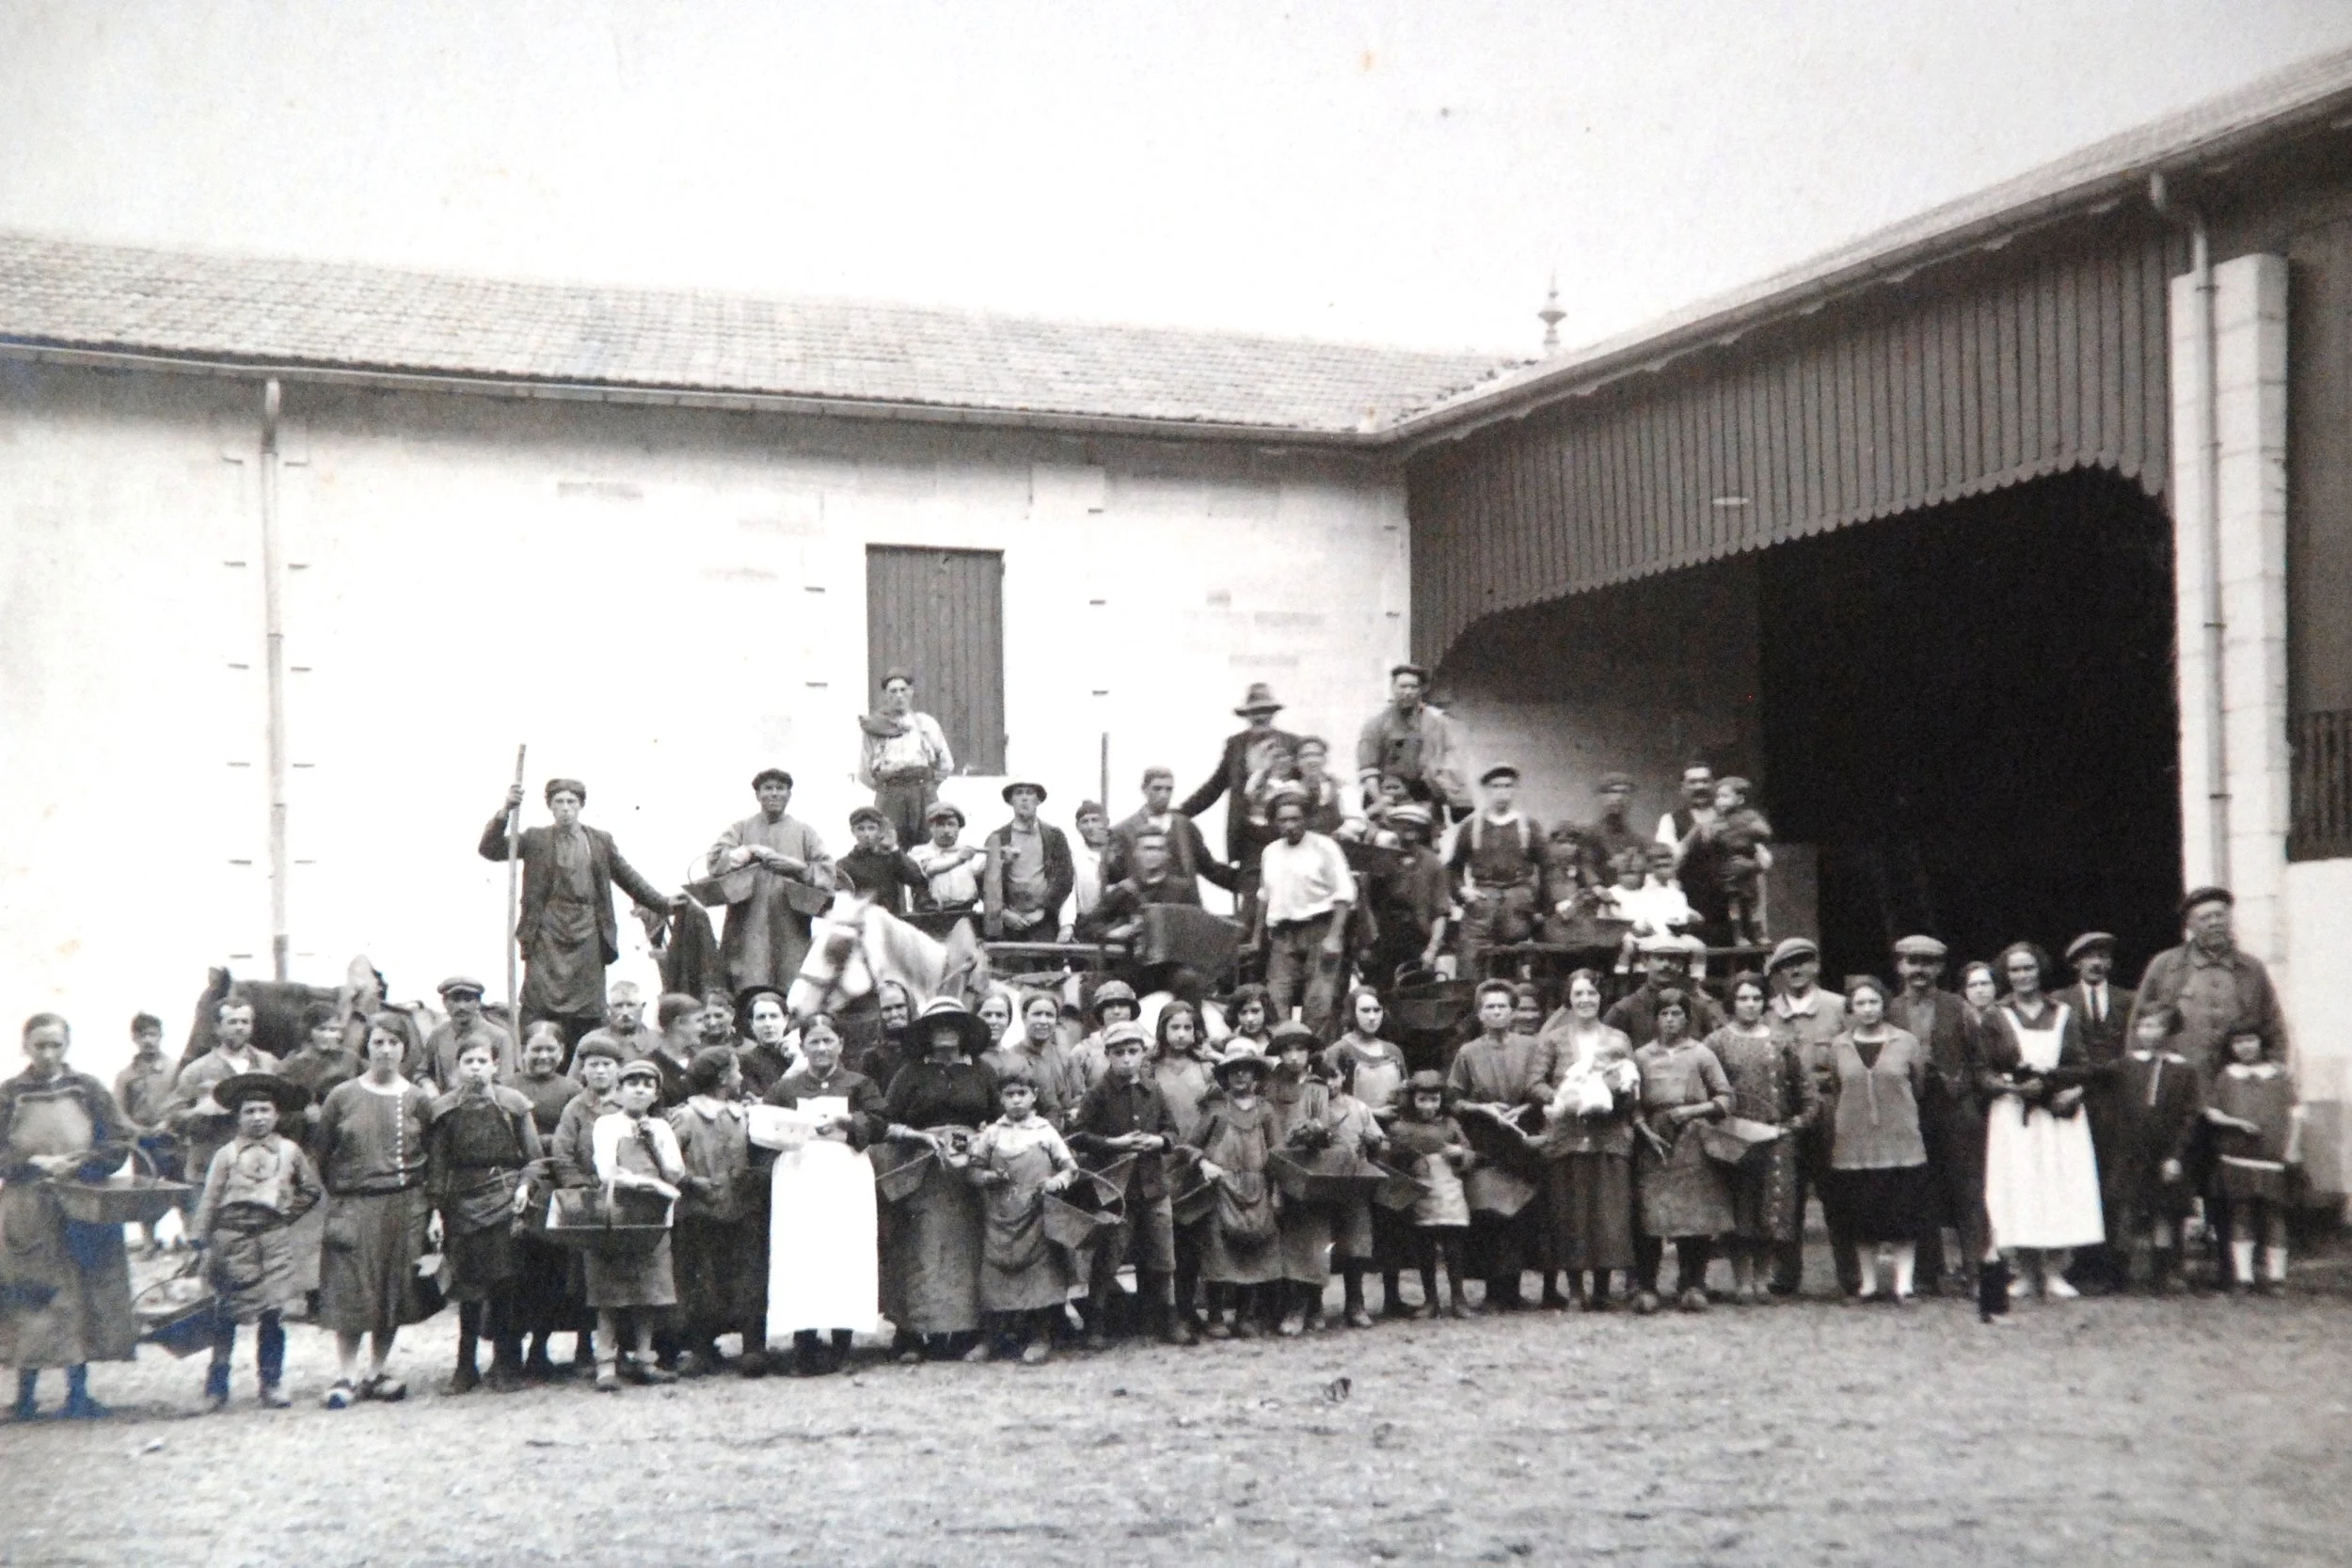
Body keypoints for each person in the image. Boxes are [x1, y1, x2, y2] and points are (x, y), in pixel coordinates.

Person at [2, 1015, 138, 1420]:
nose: (48, 1054)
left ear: (67, 1045)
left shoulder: (88, 1089)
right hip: (28, 1205)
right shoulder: (10, 1094)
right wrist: (31, 1162)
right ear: (25, 1046)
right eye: (39, 1045)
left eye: (55, 1045)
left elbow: (118, 1140)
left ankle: (78, 1394)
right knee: (29, 1292)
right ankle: (24, 1396)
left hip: (82, 1203)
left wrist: (84, 1163)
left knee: (83, 1289)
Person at [481, 778, 675, 1045]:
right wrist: (505, 811)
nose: (565, 808)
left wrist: (664, 904)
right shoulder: (535, 838)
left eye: (571, 802)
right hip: (547, 931)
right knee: (539, 1003)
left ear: (581, 805)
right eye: (558, 802)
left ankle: (587, 1058)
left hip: (588, 930)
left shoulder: (599, 841)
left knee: (588, 1008)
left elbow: (627, 877)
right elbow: (490, 849)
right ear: (549, 806)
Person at [312, 1012, 437, 1408]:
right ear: (366, 1046)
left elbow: (431, 1158)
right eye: (378, 1042)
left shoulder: (417, 1099)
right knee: (351, 1289)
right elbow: (321, 1154)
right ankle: (346, 1374)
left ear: (405, 1049)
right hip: (353, 1204)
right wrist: (335, 1202)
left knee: (393, 1290)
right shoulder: (342, 1096)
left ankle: (376, 1370)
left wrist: (431, 1211)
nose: (385, 1050)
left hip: (403, 1204)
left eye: (394, 1042)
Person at [1979, 942, 2105, 1301]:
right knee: (2019, 1187)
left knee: (2056, 1185)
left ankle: (2054, 1271)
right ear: (2006, 974)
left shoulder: (2063, 1012)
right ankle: (2023, 1271)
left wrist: (2062, 1086)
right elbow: (1982, 1069)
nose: (2022, 976)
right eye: (2015, 970)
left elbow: (2082, 1064)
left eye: (2028, 968)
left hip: (2057, 1115)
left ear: (2040, 970)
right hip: (2013, 1115)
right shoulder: (1995, 1017)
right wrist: (2013, 1087)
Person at [763, 1014, 885, 1374]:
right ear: (801, 1046)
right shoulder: (787, 1087)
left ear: (841, 1045)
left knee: (843, 1253)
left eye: (827, 1040)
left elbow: (880, 1122)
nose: (820, 1048)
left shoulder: (859, 1084)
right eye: (813, 1041)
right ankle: (804, 1346)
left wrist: (848, 1122)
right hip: (798, 1174)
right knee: (801, 1255)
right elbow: (766, 1123)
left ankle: (843, 1347)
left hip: (845, 1173)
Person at [878, 998, 998, 1362]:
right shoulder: (910, 1074)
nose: (945, 1032)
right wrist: (922, 1138)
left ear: (964, 1033)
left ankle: (962, 1333)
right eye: (937, 1026)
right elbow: (886, 1121)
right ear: (926, 1034)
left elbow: (998, 1116)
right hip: (922, 1170)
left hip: (967, 1173)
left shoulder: (982, 1072)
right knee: (921, 1249)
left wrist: (982, 1137)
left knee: (966, 1250)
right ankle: (913, 1333)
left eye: (953, 1025)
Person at [191, 1073, 320, 1411]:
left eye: (265, 1110)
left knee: (273, 1312)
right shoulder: (226, 1154)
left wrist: (286, 1215)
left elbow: (310, 1190)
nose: (258, 1117)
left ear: (277, 1115)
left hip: (273, 1239)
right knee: (226, 1312)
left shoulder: (290, 1151)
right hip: (232, 1240)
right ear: (238, 1116)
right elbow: (210, 1197)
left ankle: (271, 1383)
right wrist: (200, 1239)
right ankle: (216, 1387)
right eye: (250, 1111)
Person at [424, 1036, 542, 1394]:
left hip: (506, 1200)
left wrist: (524, 1188)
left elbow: (534, 1159)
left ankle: (507, 1364)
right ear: (457, 1068)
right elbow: (437, 1166)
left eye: (482, 1061)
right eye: (468, 1062)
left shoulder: (514, 1105)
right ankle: (465, 1366)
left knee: (506, 1284)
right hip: (461, 1203)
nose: (475, 1068)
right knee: (468, 1287)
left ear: (495, 1065)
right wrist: (435, 1212)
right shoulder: (444, 1111)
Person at [1068, 1022, 1188, 1347]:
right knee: (1110, 1257)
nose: (1126, 1059)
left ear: (1143, 1054)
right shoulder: (1098, 1093)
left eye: (1133, 1051)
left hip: (1153, 1186)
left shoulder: (1153, 1090)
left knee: (1164, 1256)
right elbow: (1078, 1135)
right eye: (1118, 1052)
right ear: (1107, 1055)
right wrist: (1114, 1143)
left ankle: (1168, 1318)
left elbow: (1172, 1130)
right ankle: (1096, 1323)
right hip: (1115, 1190)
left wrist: (1159, 1141)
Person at [1703, 974, 1817, 1305]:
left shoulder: (1782, 1041)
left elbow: (1807, 1092)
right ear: (1731, 1003)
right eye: (1742, 999)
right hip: (1733, 1137)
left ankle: (1762, 1278)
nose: (1749, 1005)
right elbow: (1704, 1088)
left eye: (1755, 998)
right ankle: (1741, 1281)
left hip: (1775, 1136)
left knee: (1772, 1210)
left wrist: (1793, 1125)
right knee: (1740, 1207)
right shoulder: (1717, 1042)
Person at [1818, 975, 1932, 1304]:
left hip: (1901, 1143)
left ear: (1884, 1005)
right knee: (1861, 1217)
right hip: (1854, 1146)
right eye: (1860, 1004)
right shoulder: (1838, 1046)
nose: (1868, 1010)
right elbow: (1839, 1089)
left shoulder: (1906, 1042)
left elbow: (1918, 1085)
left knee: (1903, 1216)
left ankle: (1903, 1284)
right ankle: (1868, 1284)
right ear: (1851, 1008)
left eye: (1874, 1002)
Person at [1533, 970, 1641, 1310]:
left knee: (1608, 1213)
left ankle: (1603, 1289)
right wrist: (1563, 1098)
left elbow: (1633, 1080)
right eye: (1578, 994)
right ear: (1569, 998)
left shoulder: (1618, 1038)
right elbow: (1534, 1082)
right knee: (1572, 1213)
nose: (1585, 1000)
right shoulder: (1552, 1039)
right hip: (1568, 1137)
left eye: (1591, 993)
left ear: (1600, 998)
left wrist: (1620, 1093)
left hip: (1608, 1135)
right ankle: (1576, 1288)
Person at [1447, 980, 1554, 1311]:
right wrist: (1484, 1109)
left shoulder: (1533, 1046)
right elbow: (1453, 1099)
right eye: (1489, 1007)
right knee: (1490, 1214)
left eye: (1503, 1006)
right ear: (1480, 1014)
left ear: (1513, 1012)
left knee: (1521, 1213)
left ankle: (1513, 1289)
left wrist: (1525, 1108)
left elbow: (1543, 1087)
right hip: (1487, 1138)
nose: (1496, 1012)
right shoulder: (1468, 1053)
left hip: (1523, 1136)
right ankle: (1493, 1291)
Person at [1889, 936, 1986, 1298]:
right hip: (1909, 1110)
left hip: (1954, 1109)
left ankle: (1975, 1271)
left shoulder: (1957, 1007)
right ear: (1900, 966)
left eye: (1927, 963)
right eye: (1912, 962)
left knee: (1967, 1191)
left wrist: (1965, 1090)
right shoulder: (1891, 1010)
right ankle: (1929, 1272)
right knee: (1919, 1189)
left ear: (1940, 969)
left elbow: (1980, 1060)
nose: (1919, 970)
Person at [1629, 988, 1733, 1314]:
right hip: (1653, 1142)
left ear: (1687, 1018)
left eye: (1677, 1014)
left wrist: (1691, 1112)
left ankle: (1692, 1284)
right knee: (1650, 1213)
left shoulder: (1701, 1054)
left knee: (1693, 1213)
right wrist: (1644, 1129)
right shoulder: (1642, 1056)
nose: (1670, 1021)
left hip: (1692, 1139)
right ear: (1655, 1019)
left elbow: (1726, 1099)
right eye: (1664, 1014)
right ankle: (1646, 1286)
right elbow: (1630, 1104)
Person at [966, 1070, 1079, 1363]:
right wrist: (988, 1176)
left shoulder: (1045, 1131)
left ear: (1034, 1096)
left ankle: (1040, 1337)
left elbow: (1070, 1168)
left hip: (1036, 1214)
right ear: (1001, 1098)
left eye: (1022, 1094)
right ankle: (991, 1339)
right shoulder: (992, 1133)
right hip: (1000, 1215)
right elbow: (973, 1171)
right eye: (1009, 1095)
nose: (1016, 1100)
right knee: (994, 1276)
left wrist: (1057, 1182)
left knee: (1040, 1276)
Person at [587, 1059, 687, 1390]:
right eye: (632, 1083)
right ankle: (605, 1362)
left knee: (649, 1290)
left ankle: (645, 1359)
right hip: (617, 1213)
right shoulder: (606, 1125)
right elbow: (607, 1171)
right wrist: (651, 1185)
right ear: (619, 1089)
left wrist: (656, 1149)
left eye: (647, 1084)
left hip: (655, 1216)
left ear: (656, 1093)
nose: (640, 1089)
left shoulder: (662, 1128)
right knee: (609, 1292)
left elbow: (675, 1171)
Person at [665, 1048, 763, 1377]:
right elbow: (666, 1160)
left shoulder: (744, 1113)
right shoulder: (687, 1116)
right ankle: (702, 1348)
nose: (740, 1077)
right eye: (736, 1071)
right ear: (722, 1077)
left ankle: (753, 1347)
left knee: (747, 1277)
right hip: (700, 1211)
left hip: (741, 1207)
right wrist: (692, 1182)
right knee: (701, 1280)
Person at [2127, 887, 2288, 1088]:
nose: (2215, 923)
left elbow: (2273, 1022)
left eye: (2220, 916)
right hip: (2181, 1078)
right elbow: (2139, 1021)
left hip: (2238, 1081)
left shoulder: (2251, 968)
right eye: (2205, 918)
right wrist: (2137, 1074)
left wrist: (2274, 1071)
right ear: (2190, 926)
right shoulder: (2166, 966)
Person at [696, 768, 835, 999]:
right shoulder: (741, 829)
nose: (774, 794)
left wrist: (795, 866)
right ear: (758, 795)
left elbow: (828, 874)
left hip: (791, 927)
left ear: (789, 794)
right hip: (746, 928)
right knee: (746, 990)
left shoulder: (804, 832)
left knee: (790, 990)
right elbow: (713, 862)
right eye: (768, 788)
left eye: (780, 789)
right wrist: (745, 852)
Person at [1764, 937, 1847, 1296]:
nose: (1796, 970)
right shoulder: (1767, 1011)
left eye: (1803, 962)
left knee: (1836, 1191)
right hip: (1784, 1111)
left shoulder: (1839, 1008)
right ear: (1779, 973)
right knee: (1786, 1192)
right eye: (1787, 965)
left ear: (1816, 966)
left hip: (1830, 1108)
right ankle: (1785, 1275)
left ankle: (1850, 1274)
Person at [1184, 1042, 1285, 1338]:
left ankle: (1245, 1315)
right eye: (1234, 1070)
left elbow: (1278, 1154)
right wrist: (1202, 1163)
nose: (1241, 1075)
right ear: (1225, 1076)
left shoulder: (1265, 1110)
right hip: (1222, 1189)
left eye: (1247, 1070)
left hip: (1258, 1189)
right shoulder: (1216, 1108)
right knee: (1219, 1254)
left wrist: (1277, 1190)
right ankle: (1215, 1316)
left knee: (1254, 1252)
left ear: (1256, 1076)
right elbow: (1188, 1146)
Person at [2054, 931, 2136, 1293]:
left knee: (2115, 1180)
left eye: (2103, 956)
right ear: (2076, 964)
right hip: (2077, 1099)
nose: (2097, 963)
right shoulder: (2059, 1002)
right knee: (2079, 1178)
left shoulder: (2128, 1000)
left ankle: (2117, 1264)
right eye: (2089, 957)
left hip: (2118, 1100)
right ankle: (2083, 1261)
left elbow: (2135, 1048)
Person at [2103, 1004, 2204, 1294]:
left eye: (2156, 1026)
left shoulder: (2184, 1070)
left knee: (2164, 1211)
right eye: (2144, 1026)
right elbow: (2108, 1100)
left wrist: (2175, 1155)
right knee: (2125, 1210)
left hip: (2165, 1152)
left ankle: (2161, 1274)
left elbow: (2189, 1116)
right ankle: (2118, 1276)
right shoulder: (2125, 1065)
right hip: (2130, 1151)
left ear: (2170, 1031)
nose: (2149, 1033)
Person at [1181, 683, 1303, 918]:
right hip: (1250, 836)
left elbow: (1303, 784)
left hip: (1283, 830)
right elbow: (1215, 786)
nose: (1260, 717)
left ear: (1273, 713)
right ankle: (1250, 946)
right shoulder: (1236, 745)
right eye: (1255, 712)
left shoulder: (1292, 743)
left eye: (1265, 711)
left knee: (1287, 895)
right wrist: (1181, 813)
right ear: (1247, 715)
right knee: (1252, 897)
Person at [508, 1022, 586, 1377]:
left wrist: (547, 1142)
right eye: (535, 1050)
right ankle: (510, 1352)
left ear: (562, 1053)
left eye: (550, 1050)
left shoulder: (571, 1089)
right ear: (523, 1051)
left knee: (556, 1270)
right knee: (519, 1272)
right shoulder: (509, 1088)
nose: (542, 1057)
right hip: (518, 1182)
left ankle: (541, 1348)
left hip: (558, 1185)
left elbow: (575, 1137)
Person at [2205, 1022, 2301, 1295]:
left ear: (2261, 1042)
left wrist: (2293, 1147)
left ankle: (2276, 1277)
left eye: (2250, 1040)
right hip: (2236, 1154)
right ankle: (2243, 1277)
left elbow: (2296, 1113)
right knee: (2240, 1212)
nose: (2245, 1047)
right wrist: (2236, 1123)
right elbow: (2212, 1112)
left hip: (2272, 1154)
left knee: (2274, 1215)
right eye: (2238, 1043)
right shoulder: (2226, 1076)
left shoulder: (2280, 1075)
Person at [1258, 788, 1356, 1037]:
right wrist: (1255, 937)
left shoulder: (1325, 847)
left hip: (1319, 931)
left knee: (1319, 1003)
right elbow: (1264, 896)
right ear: (1275, 822)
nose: (1289, 825)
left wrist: (1334, 937)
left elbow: (1344, 894)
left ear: (1307, 819)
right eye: (1283, 820)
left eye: (1295, 819)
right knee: (1275, 1000)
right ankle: (1282, 1057)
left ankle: (1315, 1061)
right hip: (1283, 935)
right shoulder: (1270, 852)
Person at [169, 996, 282, 1209]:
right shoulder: (197, 1071)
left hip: (260, 1172)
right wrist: (201, 1111)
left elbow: (287, 1111)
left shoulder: (269, 1064)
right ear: (217, 1028)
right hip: (210, 1172)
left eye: (245, 1022)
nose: (239, 1028)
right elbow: (173, 1119)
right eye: (232, 1022)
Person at [1387, 1070, 1474, 1317]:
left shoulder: (1450, 1125)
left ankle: (1459, 1299)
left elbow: (1470, 1154)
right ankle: (1431, 1300)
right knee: (1425, 1248)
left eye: (1434, 1100)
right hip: (1421, 1193)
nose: (1429, 1106)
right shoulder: (1400, 1128)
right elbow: (1394, 1160)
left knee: (1454, 1247)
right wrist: (1408, 1160)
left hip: (1449, 1191)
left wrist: (1459, 1154)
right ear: (1411, 1099)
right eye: (1422, 1100)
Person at [1449, 765, 1543, 975]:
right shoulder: (1471, 827)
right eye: (1496, 786)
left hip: (1518, 907)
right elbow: (1453, 868)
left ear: (1515, 789)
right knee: (1470, 964)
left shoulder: (1529, 826)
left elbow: (1548, 867)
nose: (1502, 792)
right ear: (1486, 790)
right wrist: (1463, 892)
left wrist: (1538, 906)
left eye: (1508, 786)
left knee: (1514, 967)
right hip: (1482, 905)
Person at [1355, 664, 1470, 819]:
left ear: (1421, 690)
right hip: (1386, 796)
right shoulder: (1376, 724)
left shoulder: (1436, 723)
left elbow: (1451, 761)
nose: (1408, 692)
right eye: (1403, 686)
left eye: (1413, 687)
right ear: (1393, 687)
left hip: (1423, 797)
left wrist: (1454, 796)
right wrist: (1380, 802)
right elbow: (1368, 771)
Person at [859, 669, 956, 851]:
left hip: (923, 793)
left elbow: (946, 763)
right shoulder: (874, 727)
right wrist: (888, 790)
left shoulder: (925, 724)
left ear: (911, 692)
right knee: (888, 848)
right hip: (890, 796)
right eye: (893, 691)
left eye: (903, 690)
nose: (899, 696)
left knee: (929, 846)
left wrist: (929, 786)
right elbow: (865, 772)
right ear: (885, 695)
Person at [1359, 803, 1453, 985]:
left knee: (1416, 991)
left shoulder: (1433, 864)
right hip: (1383, 941)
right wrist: (1368, 943)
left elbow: (1441, 911)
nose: (1409, 830)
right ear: (1393, 827)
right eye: (1403, 824)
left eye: (1415, 825)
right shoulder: (1380, 860)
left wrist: (1432, 950)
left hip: (1418, 940)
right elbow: (1365, 903)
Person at [1105, 768, 1233, 898]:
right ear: (1144, 789)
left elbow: (1209, 868)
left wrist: (1244, 881)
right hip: (1144, 908)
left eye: (1168, 789)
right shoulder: (1124, 831)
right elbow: (1113, 875)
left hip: (1183, 906)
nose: (1163, 795)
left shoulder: (1185, 827)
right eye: (1157, 789)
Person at [982, 782, 1074, 940]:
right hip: (1010, 921)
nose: (1024, 798)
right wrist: (1004, 912)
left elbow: (1064, 878)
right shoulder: (998, 838)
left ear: (1038, 800)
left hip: (1044, 921)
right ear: (1011, 801)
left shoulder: (1054, 836)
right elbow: (985, 881)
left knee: (1045, 960)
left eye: (1029, 793)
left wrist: (1044, 910)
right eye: (1018, 793)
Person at [980, 992, 1084, 1129]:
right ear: (1024, 1017)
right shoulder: (1014, 1060)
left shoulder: (1066, 1058)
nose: (1043, 1021)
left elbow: (1078, 1097)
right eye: (1037, 1014)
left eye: (1049, 1015)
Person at [1657, 761, 1730, 942]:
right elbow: (1666, 862)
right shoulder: (1670, 820)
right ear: (1682, 787)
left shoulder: (1731, 818)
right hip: (1688, 906)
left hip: (1727, 907)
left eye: (1705, 781)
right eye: (1693, 782)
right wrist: (1694, 832)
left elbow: (1761, 859)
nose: (1700, 787)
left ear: (1714, 785)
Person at [113, 1013, 181, 1204]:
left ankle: (189, 1233)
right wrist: (138, 1130)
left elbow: (184, 1101)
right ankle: (149, 1234)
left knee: (183, 1193)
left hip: (174, 1140)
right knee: (146, 1196)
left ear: (161, 1036)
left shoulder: (175, 1069)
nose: (148, 1040)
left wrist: (168, 1122)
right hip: (144, 1145)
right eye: (142, 1036)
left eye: (153, 1035)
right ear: (134, 1038)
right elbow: (119, 1112)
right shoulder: (126, 1076)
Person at [1604, 938, 1725, 1043]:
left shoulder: (1698, 1007)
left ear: (1682, 964)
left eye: (1674, 959)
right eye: (1660, 958)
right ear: (1645, 961)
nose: (1667, 964)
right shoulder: (1625, 1009)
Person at [1707, 777, 1773, 945]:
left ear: (1740, 799)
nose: (1720, 801)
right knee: (1734, 904)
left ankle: (1758, 934)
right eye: (1718, 797)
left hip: (1749, 866)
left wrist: (1742, 829)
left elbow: (1765, 832)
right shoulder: (1717, 821)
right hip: (1729, 868)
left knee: (1753, 904)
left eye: (1725, 796)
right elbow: (1710, 842)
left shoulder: (1750, 816)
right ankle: (1738, 936)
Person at [417, 976, 515, 1091]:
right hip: (446, 1104)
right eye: (455, 1000)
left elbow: (505, 1081)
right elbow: (421, 1072)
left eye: (468, 1000)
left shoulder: (499, 1037)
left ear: (478, 1003)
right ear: (444, 1003)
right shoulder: (438, 1035)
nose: (461, 1007)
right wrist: (428, 1085)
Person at [835, 805, 932, 916]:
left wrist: (894, 849)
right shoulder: (844, 865)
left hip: (891, 922)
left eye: (871, 828)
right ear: (853, 832)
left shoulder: (891, 859)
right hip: (862, 923)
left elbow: (917, 879)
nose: (866, 834)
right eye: (861, 829)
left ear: (880, 830)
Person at [910, 802, 988, 923]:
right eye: (940, 825)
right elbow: (929, 869)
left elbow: (983, 871)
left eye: (951, 825)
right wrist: (959, 860)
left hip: (964, 914)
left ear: (958, 828)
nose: (946, 830)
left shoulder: (970, 852)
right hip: (929, 917)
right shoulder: (919, 852)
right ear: (931, 828)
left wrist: (1001, 859)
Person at [1069, 980, 1143, 1098]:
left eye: (1122, 1005)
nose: (1116, 1011)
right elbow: (1077, 1097)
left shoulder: (1147, 1047)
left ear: (1131, 1009)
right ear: (1100, 1012)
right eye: (1109, 1006)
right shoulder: (1082, 1052)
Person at [1578, 772, 1652, 888]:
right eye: (1613, 792)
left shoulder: (1639, 841)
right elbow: (1586, 868)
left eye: (1625, 792)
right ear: (1601, 797)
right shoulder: (1588, 835)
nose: (1619, 798)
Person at [574, 981, 660, 1077]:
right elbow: (574, 1084)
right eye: (618, 1006)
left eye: (631, 1005)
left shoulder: (657, 1041)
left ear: (642, 1007)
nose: (625, 1012)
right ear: (608, 1008)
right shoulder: (591, 1040)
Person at [733, 987, 801, 1101]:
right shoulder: (744, 1062)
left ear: (785, 1020)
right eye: (761, 1018)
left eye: (774, 1016)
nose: (768, 1024)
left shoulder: (800, 1055)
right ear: (751, 1023)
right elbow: (758, 1102)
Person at [1069, 800, 1112, 939]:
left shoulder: (1117, 853)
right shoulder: (1074, 856)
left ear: (1106, 822)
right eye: (1085, 822)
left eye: (1095, 820)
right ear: (1077, 826)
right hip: (1085, 923)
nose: (1090, 826)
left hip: (1115, 922)